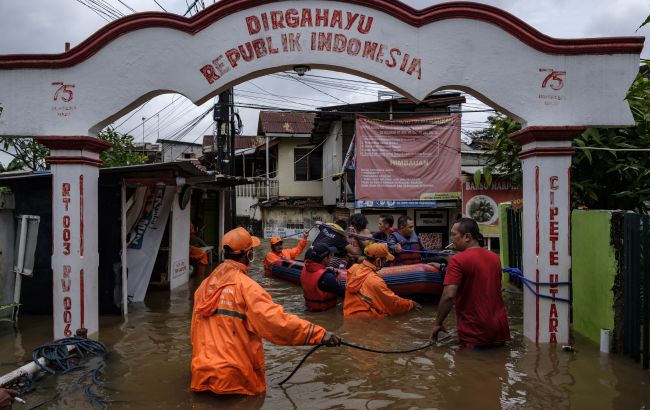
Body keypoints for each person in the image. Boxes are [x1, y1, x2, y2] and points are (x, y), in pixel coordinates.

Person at [190, 227, 341, 396]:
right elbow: (277, 324)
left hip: (201, 375)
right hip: (235, 380)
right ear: (249, 255)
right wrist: (319, 334)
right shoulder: (248, 288)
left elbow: (194, 333)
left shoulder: (203, 287)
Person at [430, 218, 510, 349]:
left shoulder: (457, 260)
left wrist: (438, 323)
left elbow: (448, 296)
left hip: (474, 331)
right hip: (499, 329)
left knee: (467, 367)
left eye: (454, 234)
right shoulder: (495, 258)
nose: (451, 238)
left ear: (467, 237)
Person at [344, 243, 422, 318]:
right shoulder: (375, 281)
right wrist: (411, 304)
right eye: (385, 260)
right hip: (368, 320)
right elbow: (392, 303)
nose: (385, 263)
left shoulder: (353, 269)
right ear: (378, 261)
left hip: (348, 314)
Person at [300, 243, 345, 311]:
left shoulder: (304, 269)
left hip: (309, 308)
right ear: (325, 258)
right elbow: (343, 293)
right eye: (330, 256)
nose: (331, 258)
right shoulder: (327, 277)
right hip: (326, 311)